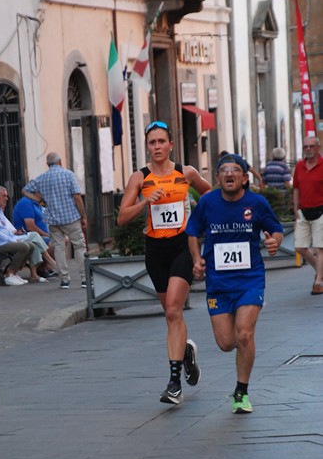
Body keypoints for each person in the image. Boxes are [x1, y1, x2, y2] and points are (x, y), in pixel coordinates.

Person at [117, 120, 211, 405]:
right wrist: (146, 201)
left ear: (171, 144)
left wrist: (198, 221)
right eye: (152, 142)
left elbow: (211, 196)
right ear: (147, 147)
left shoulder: (186, 173)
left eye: (161, 141)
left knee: (172, 311)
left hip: (182, 246)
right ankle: (186, 352)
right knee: (172, 314)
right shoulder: (140, 178)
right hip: (155, 250)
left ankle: (174, 383)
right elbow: (122, 218)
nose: (157, 147)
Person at [186, 153, 283, 414]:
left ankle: (241, 392)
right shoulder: (206, 202)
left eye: (235, 170)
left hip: (250, 279)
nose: (229, 174)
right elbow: (193, 232)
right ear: (217, 177)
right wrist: (196, 259)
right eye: (224, 171)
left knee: (243, 333)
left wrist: (275, 241)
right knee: (226, 343)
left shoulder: (257, 203)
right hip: (218, 283)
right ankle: (192, 351)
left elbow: (276, 229)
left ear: (244, 177)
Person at [22, 152, 88, 289]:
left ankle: (64, 279)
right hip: (71, 217)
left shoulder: (42, 178)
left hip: (53, 219)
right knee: (79, 246)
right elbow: (77, 196)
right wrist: (83, 215)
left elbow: (25, 190)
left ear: (48, 164)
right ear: (60, 162)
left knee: (59, 248)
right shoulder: (68, 174)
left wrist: (39, 200)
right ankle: (84, 278)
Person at [0, 186, 56, 286]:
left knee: (32, 242)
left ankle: (21, 272)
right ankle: (10, 273)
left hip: (4, 240)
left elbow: (7, 225)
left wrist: (15, 232)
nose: (6, 198)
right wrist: (13, 240)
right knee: (24, 246)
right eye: (4, 196)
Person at [293, 136, 323, 295]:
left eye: (312, 146)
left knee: (320, 248)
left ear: (318, 148)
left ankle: (319, 281)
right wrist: (295, 207)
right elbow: (296, 188)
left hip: (321, 210)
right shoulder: (299, 166)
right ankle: (320, 271)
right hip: (303, 211)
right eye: (306, 147)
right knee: (300, 247)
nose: (309, 149)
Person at [12, 195, 57, 278]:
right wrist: (46, 234)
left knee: (63, 239)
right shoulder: (26, 203)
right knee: (52, 243)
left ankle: (46, 265)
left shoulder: (36, 203)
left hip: (36, 235)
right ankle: (42, 267)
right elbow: (30, 226)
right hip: (26, 236)